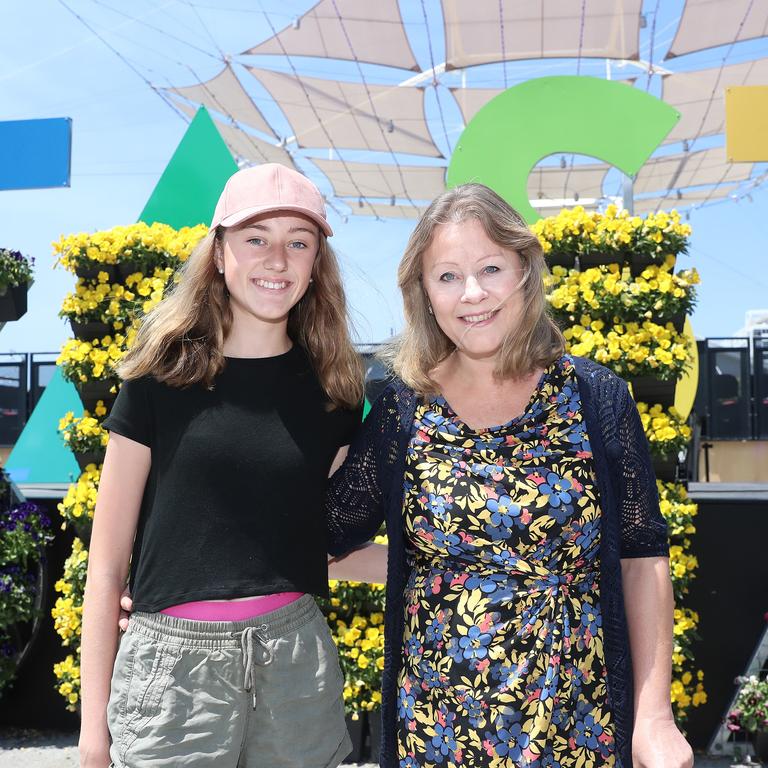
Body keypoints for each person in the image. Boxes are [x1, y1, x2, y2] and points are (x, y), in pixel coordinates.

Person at [325, 184, 694, 768]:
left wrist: (653, 717)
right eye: (446, 276)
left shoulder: (596, 400)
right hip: (436, 734)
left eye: (490, 267)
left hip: (578, 726)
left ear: (525, 269)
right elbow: (323, 542)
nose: (471, 294)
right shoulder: (402, 408)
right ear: (423, 291)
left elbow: (641, 559)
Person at [78, 163, 363, 768]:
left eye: (299, 241)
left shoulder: (334, 396)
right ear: (218, 254)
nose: (277, 258)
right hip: (172, 674)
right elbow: (105, 567)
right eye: (256, 238)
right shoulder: (156, 379)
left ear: (317, 265)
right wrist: (92, 737)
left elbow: (325, 548)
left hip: (295, 668)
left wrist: (465, 565)